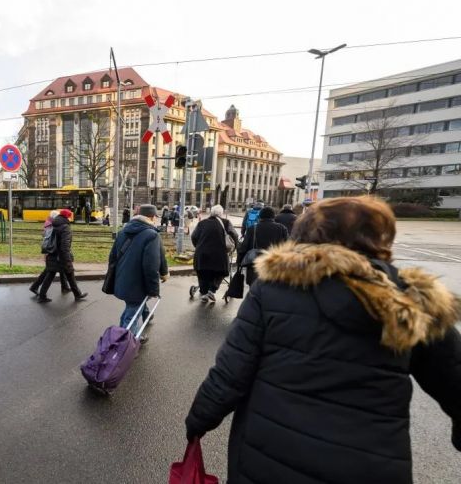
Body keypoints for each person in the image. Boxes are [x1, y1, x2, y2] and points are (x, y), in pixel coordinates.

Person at [184, 196, 461, 484]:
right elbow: (454, 377)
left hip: (268, 457)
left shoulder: (273, 290)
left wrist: (199, 421)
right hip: (370, 465)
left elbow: (231, 372)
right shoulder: (411, 299)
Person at [109, 204, 169, 342]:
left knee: (130, 309)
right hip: (138, 283)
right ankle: (125, 344)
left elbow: (113, 257)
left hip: (122, 279)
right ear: (152, 217)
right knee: (132, 314)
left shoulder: (124, 231)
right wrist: (154, 289)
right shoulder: (152, 235)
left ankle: (131, 335)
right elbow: (151, 266)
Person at [36, 208, 87, 303]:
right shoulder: (65, 227)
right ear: (67, 217)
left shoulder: (54, 224)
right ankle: (77, 294)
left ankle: (42, 296)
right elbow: (65, 245)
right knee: (69, 274)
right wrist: (67, 258)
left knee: (52, 275)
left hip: (52, 254)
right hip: (61, 257)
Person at [191, 205, 238, 304]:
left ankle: (204, 293)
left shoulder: (202, 223)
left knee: (202, 272)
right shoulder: (226, 223)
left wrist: (199, 246)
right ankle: (212, 290)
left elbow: (194, 236)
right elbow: (234, 235)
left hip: (202, 253)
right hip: (219, 255)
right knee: (221, 272)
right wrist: (234, 247)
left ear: (211, 213)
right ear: (221, 214)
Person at [237, 206, 288, 286]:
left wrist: (239, 261)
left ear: (260, 216)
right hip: (274, 263)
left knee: (254, 289)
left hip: (255, 264)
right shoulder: (281, 228)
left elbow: (244, 247)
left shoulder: (252, 229)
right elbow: (287, 247)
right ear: (273, 216)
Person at [29, 211, 70, 296]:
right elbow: (50, 240)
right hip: (51, 252)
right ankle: (35, 288)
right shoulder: (51, 226)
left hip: (52, 252)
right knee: (49, 271)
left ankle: (64, 286)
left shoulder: (50, 224)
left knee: (60, 269)